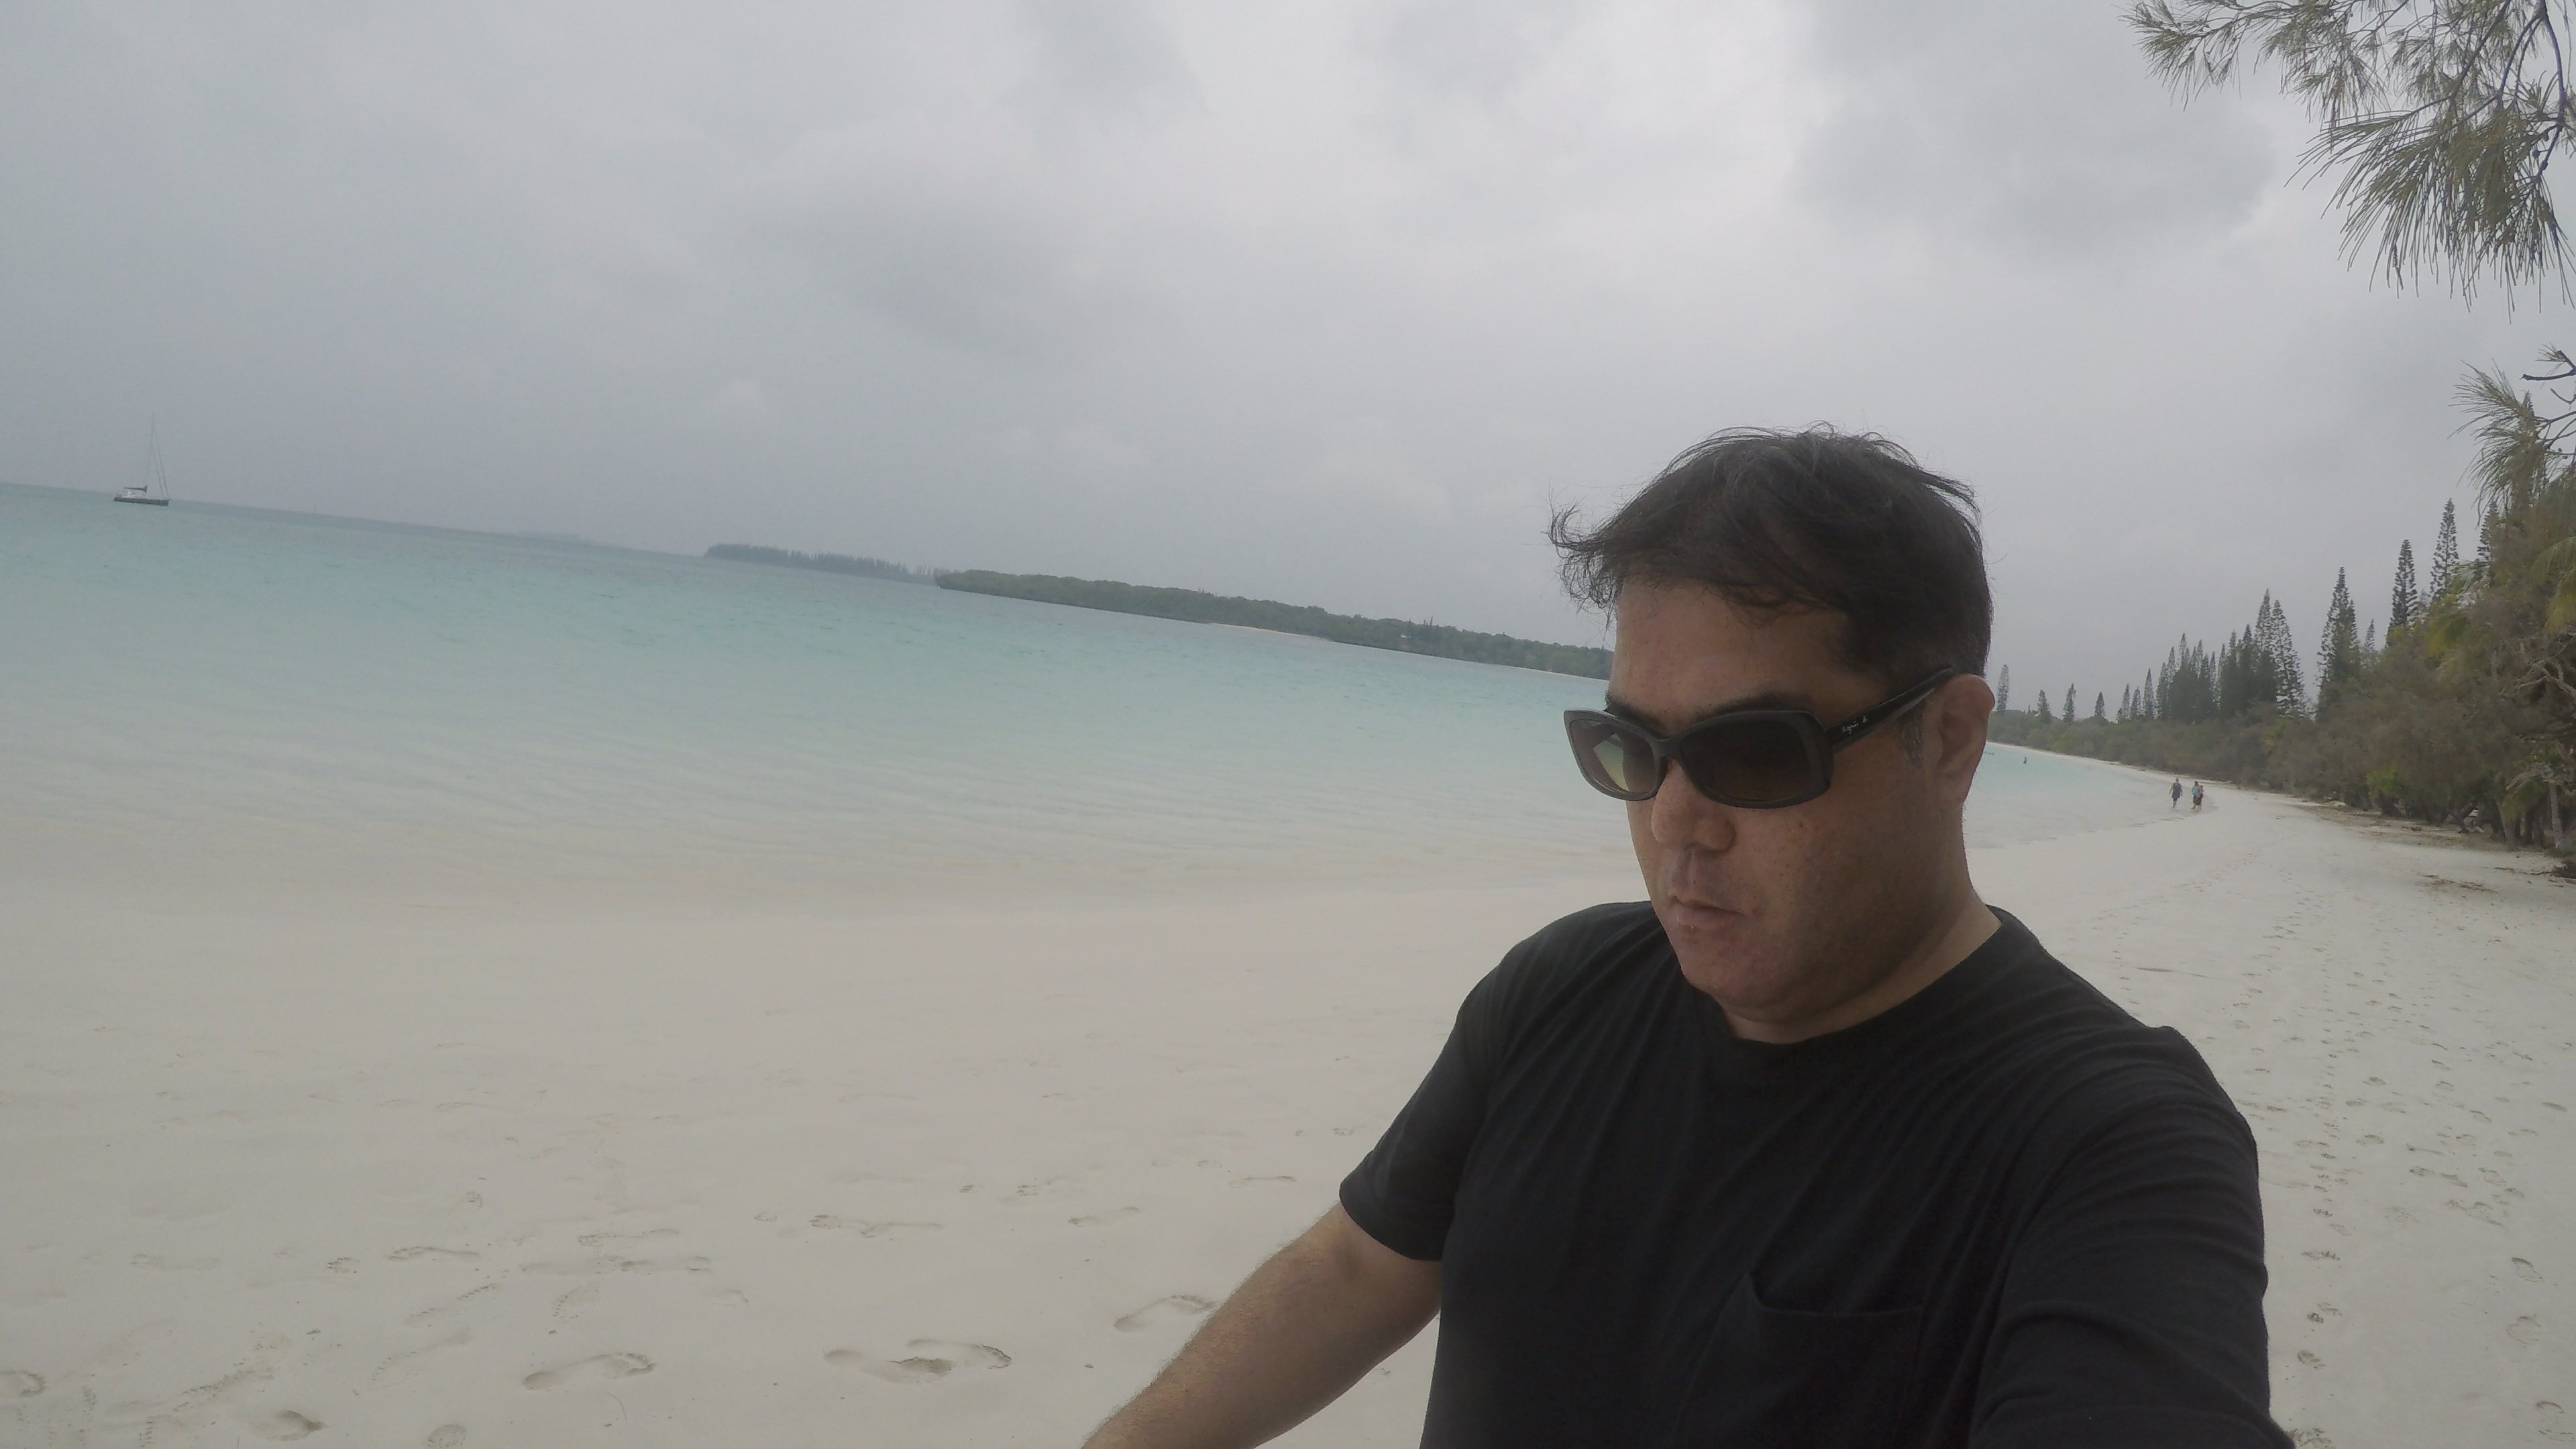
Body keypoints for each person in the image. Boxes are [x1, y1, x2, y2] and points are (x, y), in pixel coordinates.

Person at [1079, 429, 2283, 1449]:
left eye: (1753, 752)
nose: (1672, 822)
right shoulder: (1558, 994)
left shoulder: (2110, 1143)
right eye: (1632, 749)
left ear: (1952, 740)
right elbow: (1355, 1268)